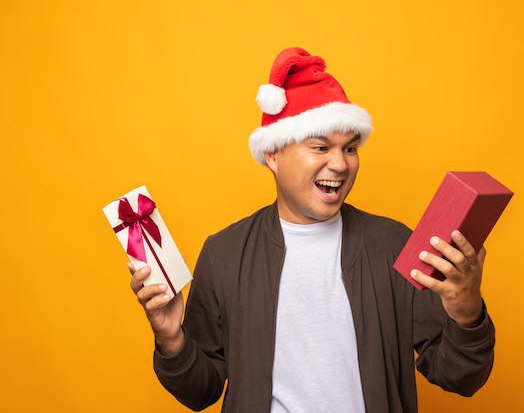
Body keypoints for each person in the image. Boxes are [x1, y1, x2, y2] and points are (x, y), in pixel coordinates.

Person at [129, 47, 495, 412]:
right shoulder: (224, 253)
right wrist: (171, 338)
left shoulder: (394, 244)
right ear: (272, 154)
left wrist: (467, 314)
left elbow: (458, 377)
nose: (339, 164)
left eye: (350, 149)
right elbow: (200, 392)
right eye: (320, 147)